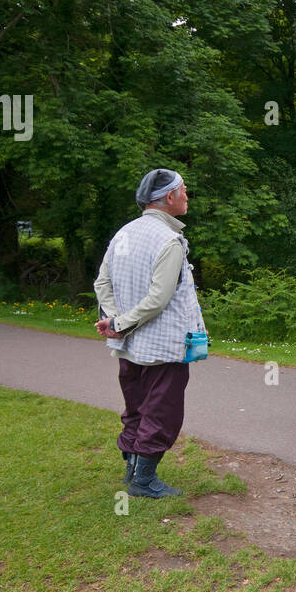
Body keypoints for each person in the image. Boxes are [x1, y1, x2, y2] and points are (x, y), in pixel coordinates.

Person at [93, 169, 204, 498]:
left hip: (128, 345)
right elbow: (159, 298)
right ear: (169, 197)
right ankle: (143, 480)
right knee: (162, 410)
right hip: (163, 345)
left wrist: (115, 320)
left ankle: (133, 470)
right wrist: (121, 322)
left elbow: (102, 283)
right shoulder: (168, 240)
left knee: (137, 406)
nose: (187, 196)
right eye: (184, 191)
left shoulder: (124, 234)